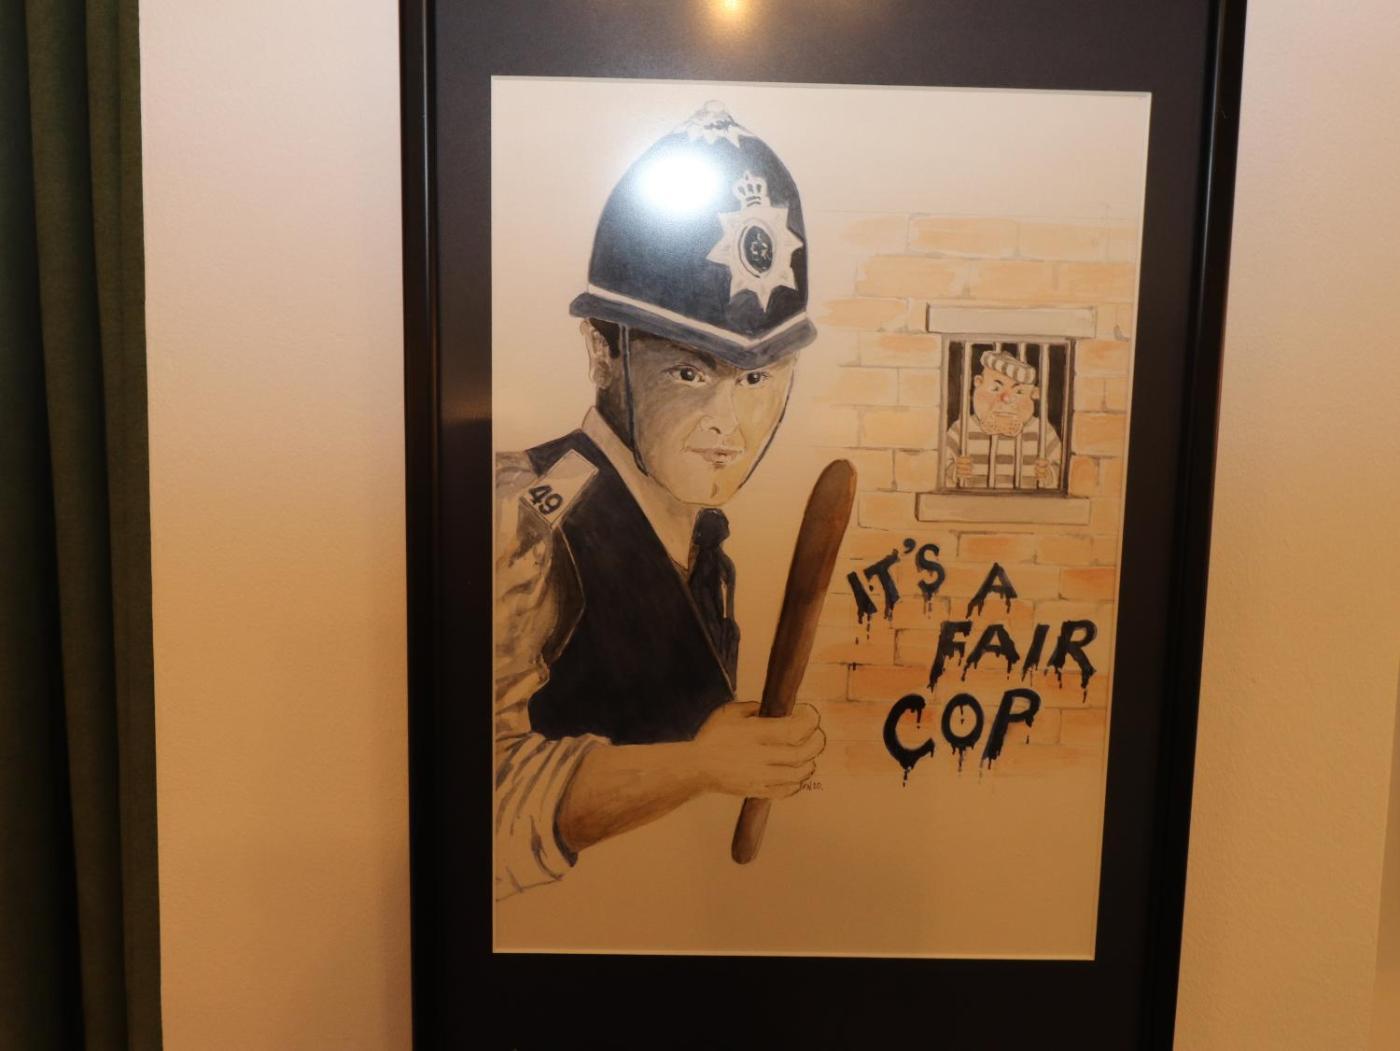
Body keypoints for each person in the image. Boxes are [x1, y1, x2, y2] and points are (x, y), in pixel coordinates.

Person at [494, 102, 827, 899]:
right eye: (688, 373)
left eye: (757, 378)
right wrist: (700, 766)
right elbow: (477, 800)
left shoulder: (706, 549)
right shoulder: (523, 521)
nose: (729, 424)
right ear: (602, 351)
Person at [944, 348, 1062, 489]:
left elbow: (1061, 468)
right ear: (978, 383)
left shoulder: (1043, 431)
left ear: (1034, 394)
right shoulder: (961, 428)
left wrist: (1049, 474)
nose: (1006, 399)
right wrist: (954, 471)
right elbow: (939, 464)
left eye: (1019, 392)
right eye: (995, 389)